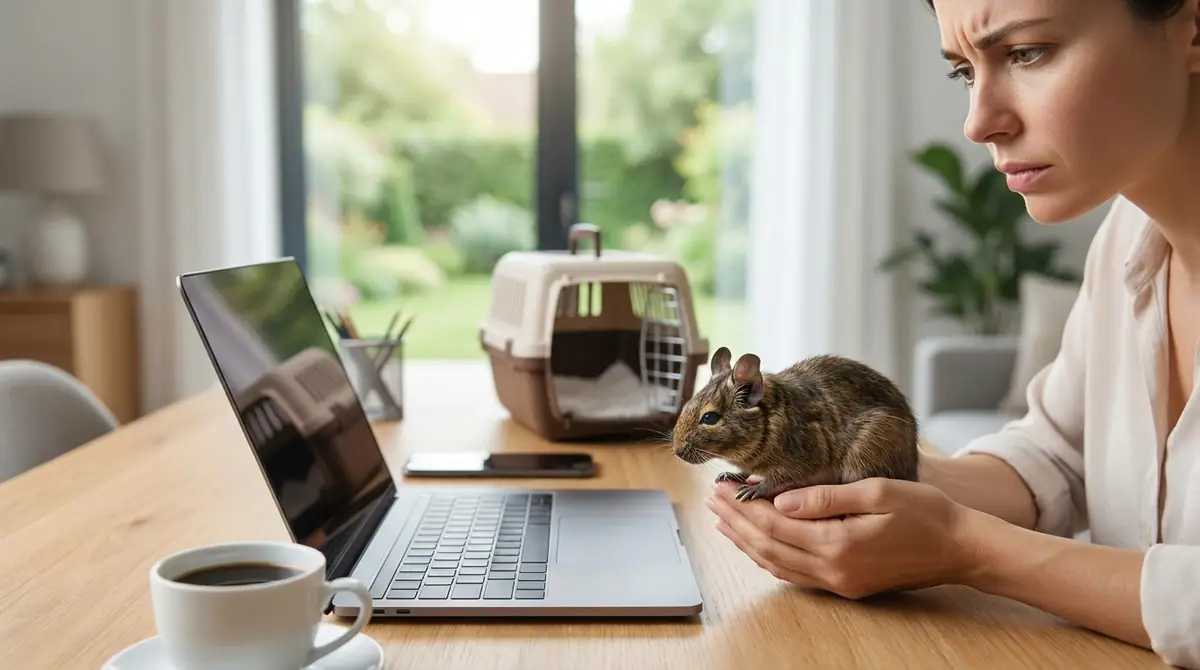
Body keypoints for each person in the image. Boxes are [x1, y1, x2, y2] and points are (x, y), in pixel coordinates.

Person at [705, 0, 1200, 667]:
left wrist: (970, 548)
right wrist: (873, 484)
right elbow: (1055, 455)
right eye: (963, 72)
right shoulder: (1128, 240)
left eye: (1027, 53)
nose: (978, 123)